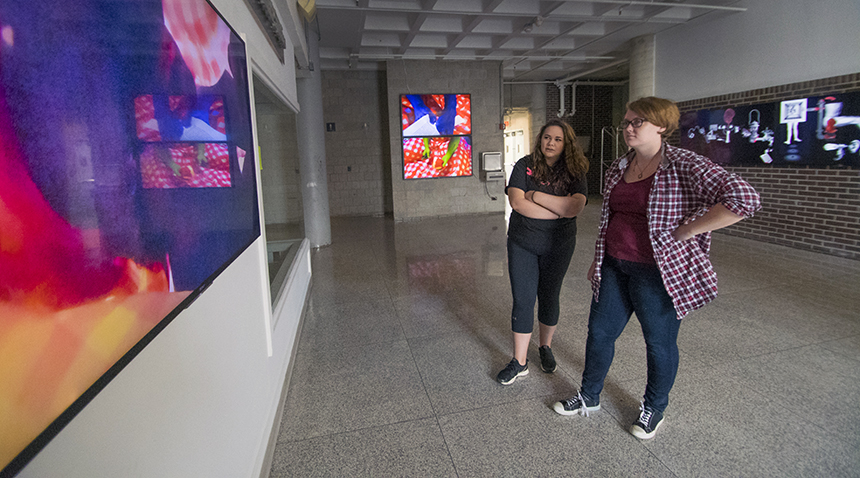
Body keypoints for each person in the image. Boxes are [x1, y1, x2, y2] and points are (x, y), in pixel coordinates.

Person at [552, 97, 761, 438]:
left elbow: (745, 199)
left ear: (661, 126)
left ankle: (654, 407)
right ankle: (589, 395)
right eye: (626, 122)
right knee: (600, 334)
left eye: (638, 122)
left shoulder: (685, 164)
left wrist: (691, 229)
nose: (629, 128)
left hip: (658, 273)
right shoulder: (619, 166)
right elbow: (611, 219)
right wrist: (597, 259)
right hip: (614, 266)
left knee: (658, 343)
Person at [497, 119, 589, 385]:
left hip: (558, 245)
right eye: (547, 137)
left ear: (566, 143)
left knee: (549, 296)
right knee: (523, 299)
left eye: (558, 139)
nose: (551, 143)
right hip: (522, 242)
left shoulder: (575, 171)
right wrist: (559, 210)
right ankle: (519, 362)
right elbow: (517, 203)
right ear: (540, 139)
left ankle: (545, 347)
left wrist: (536, 196)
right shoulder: (524, 165)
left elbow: (575, 208)